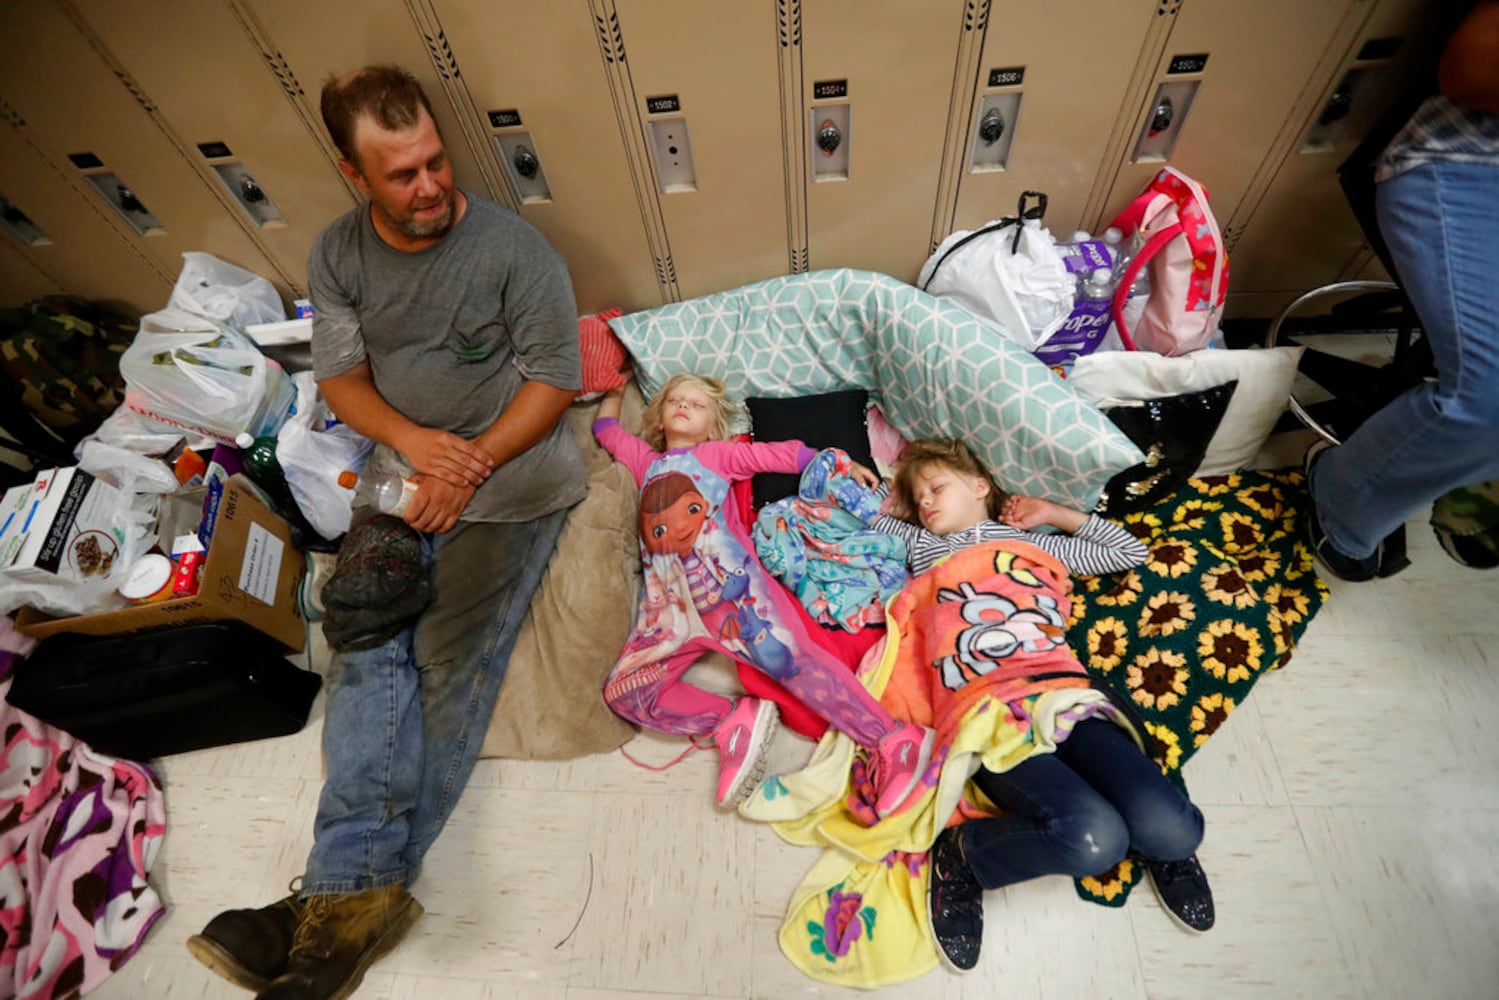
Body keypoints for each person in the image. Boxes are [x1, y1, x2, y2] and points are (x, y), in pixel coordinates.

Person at [184, 65, 587, 1000]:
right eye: (401, 174)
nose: (430, 186)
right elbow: (343, 378)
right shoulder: (336, 256)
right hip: (405, 467)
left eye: (435, 162)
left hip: (514, 475)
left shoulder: (514, 252)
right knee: (365, 640)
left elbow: (554, 380)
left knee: (447, 657)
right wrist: (413, 450)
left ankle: (323, 905)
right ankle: (354, 901)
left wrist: (469, 464)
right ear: (354, 174)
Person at [866, 437, 1212, 971]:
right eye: (919, 497)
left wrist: (1051, 512)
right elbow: (864, 520)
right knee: (1094, 840)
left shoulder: (1036, 544)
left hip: (1060, 689)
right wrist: (879, 494)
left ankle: (1161, 840)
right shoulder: (919, 545)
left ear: (981, 486)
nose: (927, 502)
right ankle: (963, 856)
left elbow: (1127, 552)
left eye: (937, 487)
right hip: (987, 708)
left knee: (1175, 831)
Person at [594, 374, 934, 817]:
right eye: (674, 400)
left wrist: (840, 464)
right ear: (658, 418)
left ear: (713, 425)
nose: (681, 406)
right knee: (625, 690)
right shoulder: (647, 463)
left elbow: (780, 454)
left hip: (734, 601)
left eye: (695, 404)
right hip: (667, 616)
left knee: (794, 662)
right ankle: (730, 720)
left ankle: (893, 738)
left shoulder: (715, 455)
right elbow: (607, 432)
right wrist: (614, 389)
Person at [1306, 0, 1499, 581]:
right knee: (1491, 393)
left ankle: (1467, 484)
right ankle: (1341, 495)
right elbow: (1471, 72)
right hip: (1472, 162)